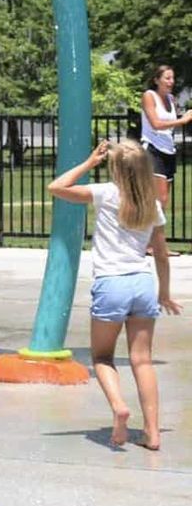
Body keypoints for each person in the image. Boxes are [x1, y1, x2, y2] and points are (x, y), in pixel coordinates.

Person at [49, 138, 182, 449]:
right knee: (142, 360)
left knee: (103, 357)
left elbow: (56, 187)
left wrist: (89, 162)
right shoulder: (153, 205)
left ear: (115, 169)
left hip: (111, 284)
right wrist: (164, 292)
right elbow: (161, 255)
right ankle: (152, 432)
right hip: (142, 283)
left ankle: (119, 407)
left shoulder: (105, 194)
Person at [139, 64, 192, 217]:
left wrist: (185, 116)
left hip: (168, 150)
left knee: (162, 201)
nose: (171, 81)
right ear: (156, 80)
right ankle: (153, 237)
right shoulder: (149, 96)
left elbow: (170, 124)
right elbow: (155, 124)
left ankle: (151, 236)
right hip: (152, 150)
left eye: (172, 78)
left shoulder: (171, 99)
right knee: (159, 200)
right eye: (167, 78)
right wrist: (182, 121)